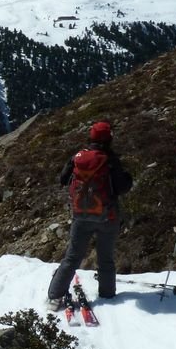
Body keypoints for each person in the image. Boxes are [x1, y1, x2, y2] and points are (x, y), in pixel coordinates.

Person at [47, 121, 133, 307]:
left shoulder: (78, 157)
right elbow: (122, 187)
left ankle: (54, 296)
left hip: (81, 215)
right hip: (107, 216)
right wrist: (128, 178)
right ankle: (107, 296)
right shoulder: (110, 160)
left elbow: (63, 179)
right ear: (109, 138)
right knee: (105, 258)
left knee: (72, 257)